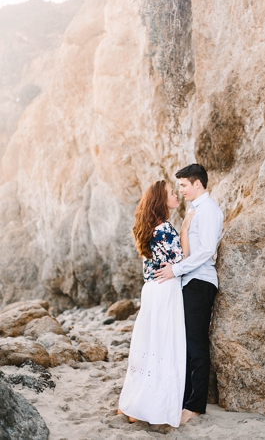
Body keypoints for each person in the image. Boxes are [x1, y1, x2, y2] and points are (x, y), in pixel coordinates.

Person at [117, 180, 194, 427]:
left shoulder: (150, 228)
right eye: (172, 193)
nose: (176, 196)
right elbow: (183, 260)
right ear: (162, 201)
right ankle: (148, 407)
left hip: (151, 290)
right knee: (163, 348)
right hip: (165, 291)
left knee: (148, 346)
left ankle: (132, 405)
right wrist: (184, 231)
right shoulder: (165, 229)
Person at [154, 163, 223, 424]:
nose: (180, 190)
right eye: (179, 186)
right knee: (185, 344)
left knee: (196, 344)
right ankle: (183, 399)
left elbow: (205, 251)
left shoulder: (209, 210)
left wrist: (177, 269)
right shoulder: (194, 210)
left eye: (183, 185)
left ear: (198, 184)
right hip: (188, 282)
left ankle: (195, 405)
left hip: (200, 282)